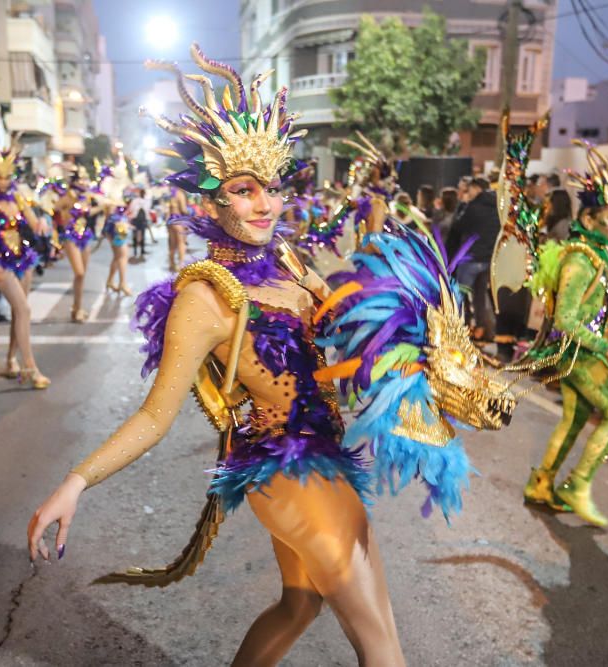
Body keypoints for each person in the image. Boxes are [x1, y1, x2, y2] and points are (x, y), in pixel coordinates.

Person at [27, 46, 520, 665]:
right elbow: (155, 418)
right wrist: (76, 482)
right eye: (243, 190)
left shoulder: (289, 260)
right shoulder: (206, 298)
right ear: (212, 202)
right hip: (286, 469)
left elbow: (343, 318)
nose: (265, 204)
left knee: (301, 604)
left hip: (327, 451)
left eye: (272, 188)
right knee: (381, 643)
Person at [519, 140, 608, 528]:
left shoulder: (598, 253)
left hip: (582, 352)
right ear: (589, 220)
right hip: (578, 355)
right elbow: (567, 319)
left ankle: (542, 484)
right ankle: (578, 485)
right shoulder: (581, 259)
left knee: (573, 420)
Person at [0, 138, 51, 389]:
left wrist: (41, 224)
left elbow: (32, 220)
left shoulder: (18, 197)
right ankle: (30, 367)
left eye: (7, 176)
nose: (2, 181)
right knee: (25, 310)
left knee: (19, 311)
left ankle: (9, 361)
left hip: (21, 259)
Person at [447, 177, 499, 340]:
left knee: (460, 295)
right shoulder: (497, 207)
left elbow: (458, 226)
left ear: (477, 189)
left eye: (469, 190)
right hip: (487, 260)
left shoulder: (473, 206)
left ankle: (460, 329)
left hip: (470, 259)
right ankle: (485, 330)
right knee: (480, 297)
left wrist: (463, 205)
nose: (468, 193)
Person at [52, 166, 101, 321]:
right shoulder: (68, 196)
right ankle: (76, 308)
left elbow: (88, 213)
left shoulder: (85, 197)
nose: (85, 182)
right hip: (70, 236)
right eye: (82, 179)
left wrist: (103, 206)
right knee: (79, 272)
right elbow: (54, 209)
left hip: (84, 236)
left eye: (86, 179)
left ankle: (77, 309)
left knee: (81, 276)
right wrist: (56, 229)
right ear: (75, 181)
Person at [166, 185, 189, 271]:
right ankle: (181, 264)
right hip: (178, 220)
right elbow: (183, 210)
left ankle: (171, 263)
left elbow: (168, 210)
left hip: (171, 220)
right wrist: (190, 213)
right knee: (181, 243)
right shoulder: (180, 194)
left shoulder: (172, 194)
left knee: (172, 244)